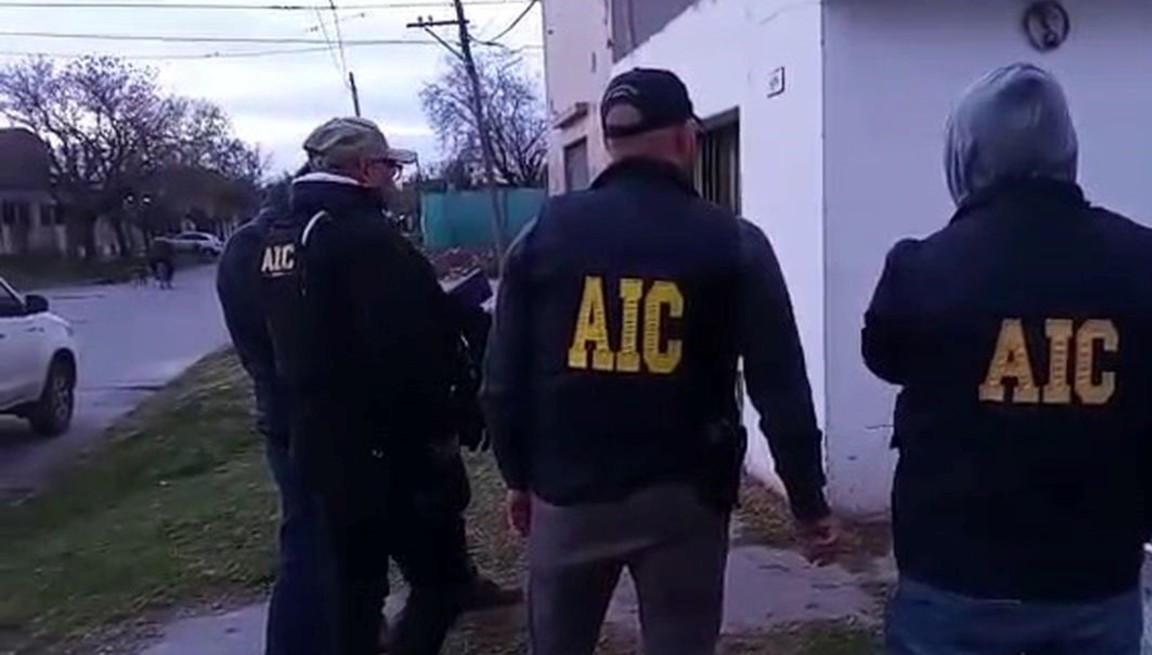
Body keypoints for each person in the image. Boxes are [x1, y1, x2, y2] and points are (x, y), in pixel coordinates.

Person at [861, 63, 1152, 655]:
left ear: (966, 154)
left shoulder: (922, 267)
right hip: (1095, 584)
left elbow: (882, 356)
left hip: (952, 582)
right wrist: (1141, 515)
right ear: (1068, 149)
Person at [482, 68, 841, 655]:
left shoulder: (544, 233)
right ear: (685, 138)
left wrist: (519, 478)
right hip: (685, 498)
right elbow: (780, 385)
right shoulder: (734, 241)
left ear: (608, 144)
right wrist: (807, 503)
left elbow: (501, 381)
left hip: (568, 492)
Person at [255, 117, 517, 655]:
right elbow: (408, 348)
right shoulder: (366, 239)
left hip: (321, 441)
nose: (395, 179)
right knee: (440, 584)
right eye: (389, 168)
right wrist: (456, 414)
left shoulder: (282, 235)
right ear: (363, 169)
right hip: (390, 448)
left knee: (355, 590)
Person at [217, 174, 334, 655]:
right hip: (309, 411)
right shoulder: (294, 247)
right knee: (311, 538)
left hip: (275, 406)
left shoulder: (239, 249)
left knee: (306, 527)